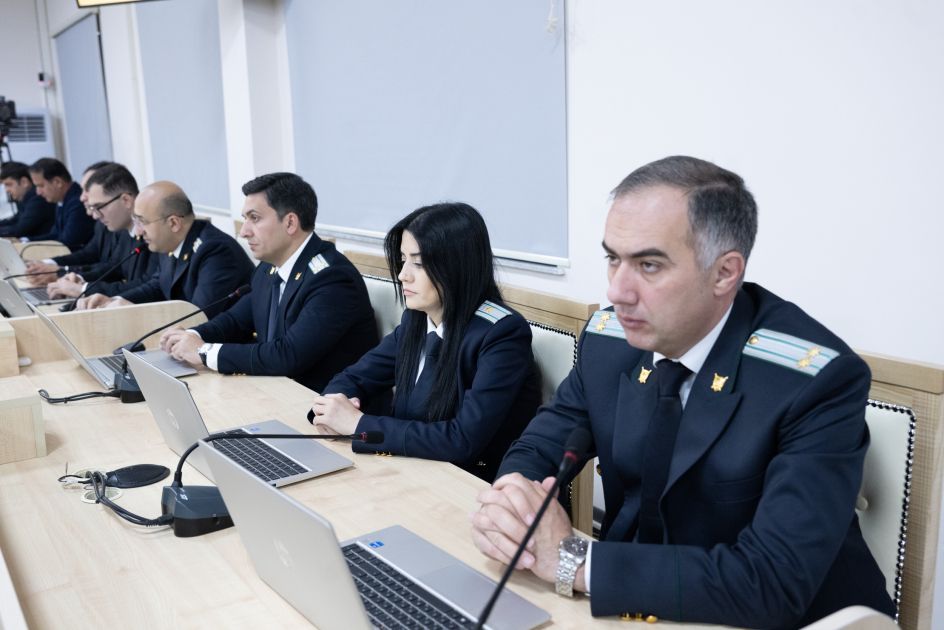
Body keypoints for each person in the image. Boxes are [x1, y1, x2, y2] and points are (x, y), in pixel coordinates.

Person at [470, 156, 894, 626]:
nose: (617, 292)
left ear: (725, 273)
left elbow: (773, 580)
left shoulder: (817, 381)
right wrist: (512, 507)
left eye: (649, 265)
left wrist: (574, 560)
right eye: (613, 258)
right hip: (639, 602)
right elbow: (540, 444)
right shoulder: (610, 341)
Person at [309, 202, 542, 482]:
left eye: (418, 263)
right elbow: (355, 377)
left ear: (457, 267)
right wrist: (330, 411)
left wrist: (359, 425)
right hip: (409, 470)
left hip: (470, 485)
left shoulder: (502, 335)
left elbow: (462, 440)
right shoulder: (416, 319)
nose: (403, 274)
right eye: (403, 260)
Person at [158, 172, 378, 393]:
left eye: (254, 218)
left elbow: (289, 355)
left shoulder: (332, 279)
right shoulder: (268, 268)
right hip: (278, 392)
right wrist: (192, 336)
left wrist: (204, 352)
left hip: (322, 402)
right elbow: (236, 320)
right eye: (244, 219)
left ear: (290, 223)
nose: (244, 231)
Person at [77, 180, 254, 318]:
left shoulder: (215, 251)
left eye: (143, 222)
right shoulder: (171, 242)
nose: (138, 231)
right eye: (136, 221)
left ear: (173, 223)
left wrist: (137, 313)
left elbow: (198, 317)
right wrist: (116, 301)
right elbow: (157, 286)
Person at [45, 163, 157, 298]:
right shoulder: (123, 230)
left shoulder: (155, 232)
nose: (96, 216)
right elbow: (115, 268)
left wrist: (83, 289)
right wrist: (79, 279)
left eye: (99, 207)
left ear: (126, 200)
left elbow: (150, 287)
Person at [25, 160, 116, 286]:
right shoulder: (100, 220)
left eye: (88, 190)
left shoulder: (77, 204)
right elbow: (90, 253)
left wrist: (62, 272)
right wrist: (50, 264)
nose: (82, 197)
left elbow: (68, 242)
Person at [27, 157, 95, 250]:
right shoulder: (62, 200)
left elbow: (67, 243)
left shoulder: (78, 203)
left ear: (58, 182)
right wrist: (24, 241)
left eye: (41, 186)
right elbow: (54, 235)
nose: (38, 192)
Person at [0, 161, 55, 239]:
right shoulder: (26, 198)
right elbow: (16, 219)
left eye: (9, 184)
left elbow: (20, 229)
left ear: (24, 182)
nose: (6, 190)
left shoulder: (38, 199)